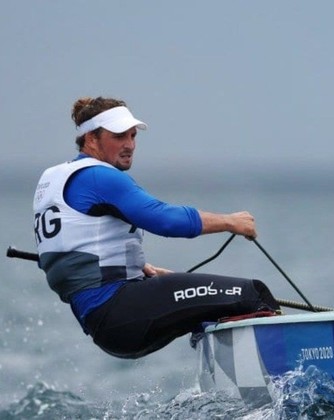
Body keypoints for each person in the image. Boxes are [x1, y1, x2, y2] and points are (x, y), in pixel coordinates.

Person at [33, 96, 280, 359]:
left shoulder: (53, 180)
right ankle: (283, 376)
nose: (129, 145)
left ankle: (237, 377)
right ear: (91, 138)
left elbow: (68, 254)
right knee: (253, 295)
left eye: (132, 136)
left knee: (218, 308)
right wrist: (230, 222)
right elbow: (164, 219)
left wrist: (133, 267)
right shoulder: (98, 176)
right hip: (118, 310)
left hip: (103, 323)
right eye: (119, 136)